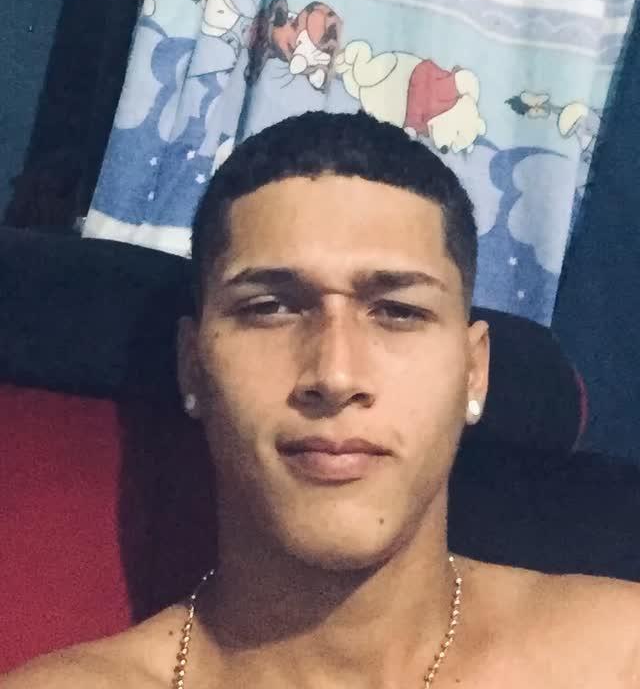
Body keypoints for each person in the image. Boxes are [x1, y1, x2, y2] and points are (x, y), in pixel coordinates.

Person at [3, 111, 639, 688]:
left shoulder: (618, 655)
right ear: (192, 366)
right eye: (269, 308)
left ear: (475, 372)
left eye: (398, 310)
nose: (334, 375)